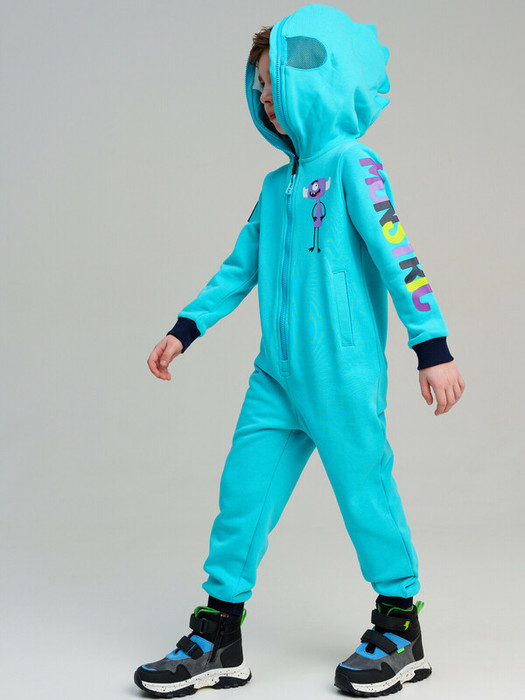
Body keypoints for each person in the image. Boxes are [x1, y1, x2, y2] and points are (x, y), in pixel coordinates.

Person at [134, 4, 465, 698]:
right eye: (256, 87)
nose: (264, 97)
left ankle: (399, 626)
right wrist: (185, 328)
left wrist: (430, 345)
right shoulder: (274, 185)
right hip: (276, 377)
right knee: (241, 499)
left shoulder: (354, 165)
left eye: (274, 81)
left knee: (365, 495)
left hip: (341, 376)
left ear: (314, 78)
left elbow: (399, 255)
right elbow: (239, 267)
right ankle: (218, 635)